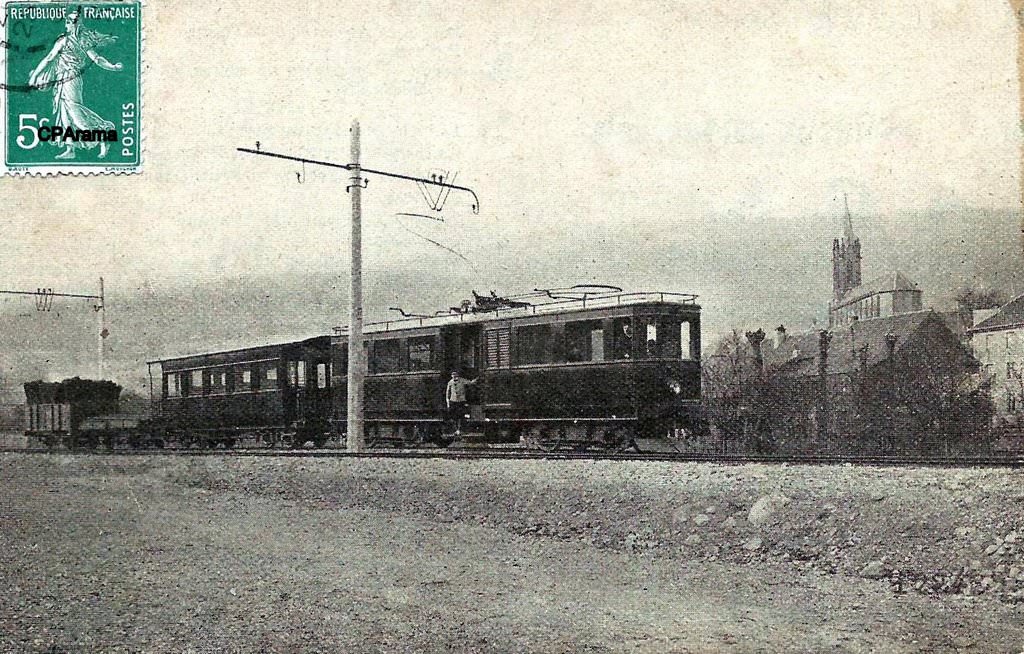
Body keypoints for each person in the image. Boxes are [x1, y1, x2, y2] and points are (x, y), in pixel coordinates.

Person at [28, 7, 123, 160]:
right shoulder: (64, 40)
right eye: (68, 21)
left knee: (74, 111)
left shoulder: (81, 41)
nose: (68, 24)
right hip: (61, 80)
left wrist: (112, 67)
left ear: (77, 23)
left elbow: (97, 59)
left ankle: (104, 134)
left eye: (71, 21)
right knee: (64, 113)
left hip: (72, 79)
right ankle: (70, 148)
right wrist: (35, 76)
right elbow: (49, 58)